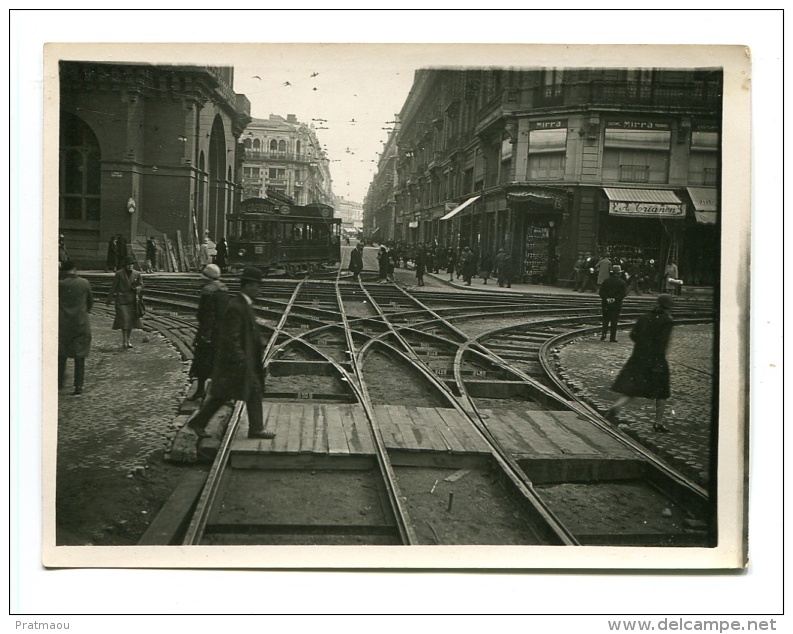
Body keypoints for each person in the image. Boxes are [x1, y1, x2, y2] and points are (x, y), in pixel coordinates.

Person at [186, 267, 276, 440]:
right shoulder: (237, 306)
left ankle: (199, 423)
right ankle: (255, 429)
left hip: (239, 361)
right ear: (248, 286)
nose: (259, 290)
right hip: (236, 363)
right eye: (257, 286)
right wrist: (241, 360)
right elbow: (231, 337)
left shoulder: (242, 304)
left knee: (227, 394)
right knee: (236, 393)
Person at [606, 294, 675, 433]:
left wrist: (642, 345)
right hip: (656, 360)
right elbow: (662, 343)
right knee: (662, 393)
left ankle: (616, 407)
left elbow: (633, 335)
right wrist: (658, 360)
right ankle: (658, 423)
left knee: (633, 388)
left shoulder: (644, 317)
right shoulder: (667, 321)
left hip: (638, 357)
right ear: (669, 306)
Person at [189, 264, 230, 400]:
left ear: (208, 278)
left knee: (202, 361)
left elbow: (208, 316)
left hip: (209, 333)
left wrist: (205, 335)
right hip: (221, 332)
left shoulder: (208, 292)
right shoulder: (223, 290)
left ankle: (201, 390)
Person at [59, 260, 92, 395]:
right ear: (75, 269)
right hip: (81, 323)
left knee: (61, 355)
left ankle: (59, 382)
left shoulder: (59, 285)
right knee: (80, 356)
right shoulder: (84, 283)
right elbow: (90, 302)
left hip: (63, 324)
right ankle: (78, 386)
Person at [106, 256, 143, 349]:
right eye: (128, 265)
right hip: (121, 300)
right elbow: (113, 287)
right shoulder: (119, 274)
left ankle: (128, 340)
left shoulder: (137, 274)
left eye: (132, 265)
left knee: (130, 321)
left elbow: (141, 284)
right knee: (124, 320)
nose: (130, 266)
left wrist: (138, 288)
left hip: (132, 301)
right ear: (125, 265)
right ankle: (124, 340)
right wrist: (109, 299)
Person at [598, 264, 628, 342]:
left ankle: (603, 334)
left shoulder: (606, 281)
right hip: (616, 304)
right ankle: (612, 337)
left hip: (606, 303)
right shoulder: (622, 283)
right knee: (614, 321)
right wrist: (615, 299)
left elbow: (601, 292)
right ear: (619, 273)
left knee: (605, 319)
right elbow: (623, 294)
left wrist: (606, 299)